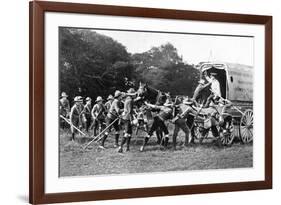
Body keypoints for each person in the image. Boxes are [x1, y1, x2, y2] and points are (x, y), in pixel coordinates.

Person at [118, 88, 137, 153]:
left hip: (125, 118)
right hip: (128, 118)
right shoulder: (130, 100)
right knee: (127, 133)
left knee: (129, 133)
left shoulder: (127, 99)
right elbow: (129, 111)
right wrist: (132, 120)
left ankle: (128, 147)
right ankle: (120, 147)